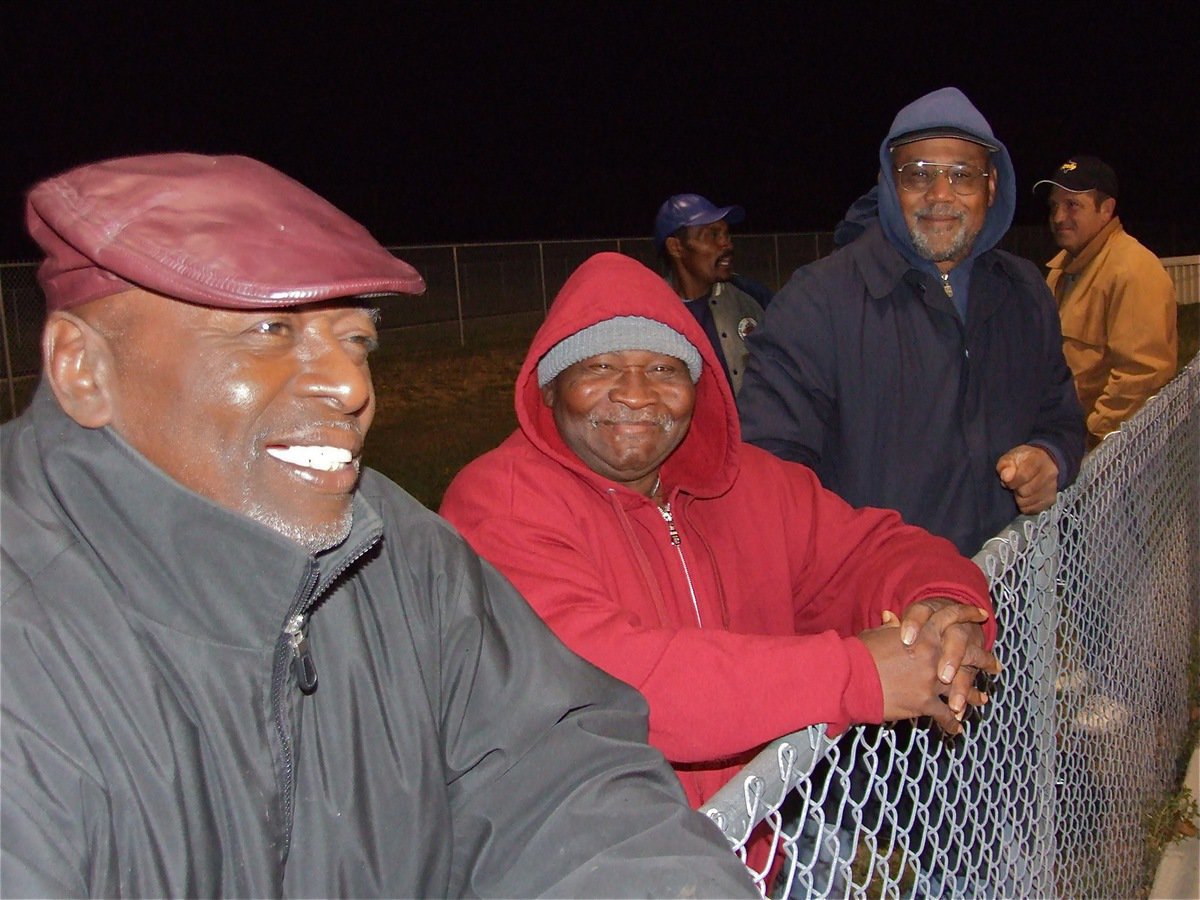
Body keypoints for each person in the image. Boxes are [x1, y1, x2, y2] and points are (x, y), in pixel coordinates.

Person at [0, 154, 759, 898]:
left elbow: (556, 773)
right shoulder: (28, 638)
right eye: (270, 331)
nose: (351, 384)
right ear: (82, 368)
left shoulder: (395, 547)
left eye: (357, 339)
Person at [440, 251, 1000, 824]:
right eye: (600, 367)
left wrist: (940, 607)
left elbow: (870, 550)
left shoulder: (749, 483)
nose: (636, 393)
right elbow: (611, 683)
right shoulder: (499, 503)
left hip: (760, 835)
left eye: (664, 369)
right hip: (593, 860)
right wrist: (856, 675)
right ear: (551, 389)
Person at [738, 87, 1086, 557]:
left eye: (962, 174)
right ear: (889, 183)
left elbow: (1061, 415)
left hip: (1013, 588)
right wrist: (876, 571)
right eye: (917, 174)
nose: (940, 194)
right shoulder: (817, 301)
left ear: (990, 186)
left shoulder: (1024, 290)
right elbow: (769, 468)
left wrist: (1053, 458)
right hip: (887, 613)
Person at [1035, 155, 1178, 448]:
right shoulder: (1061, 272)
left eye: (1073, 205)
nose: (1059, 217)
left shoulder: (1133, 270)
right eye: (1054, 206)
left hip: (1111, 461)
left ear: (1106, 209)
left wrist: (1092, 442)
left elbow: (1142, 376)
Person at [654, 193, 768, 395]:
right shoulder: (651, 313)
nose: (727, 244)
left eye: (727, 235)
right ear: (676, 247)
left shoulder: (751, 297)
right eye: (713, 235)